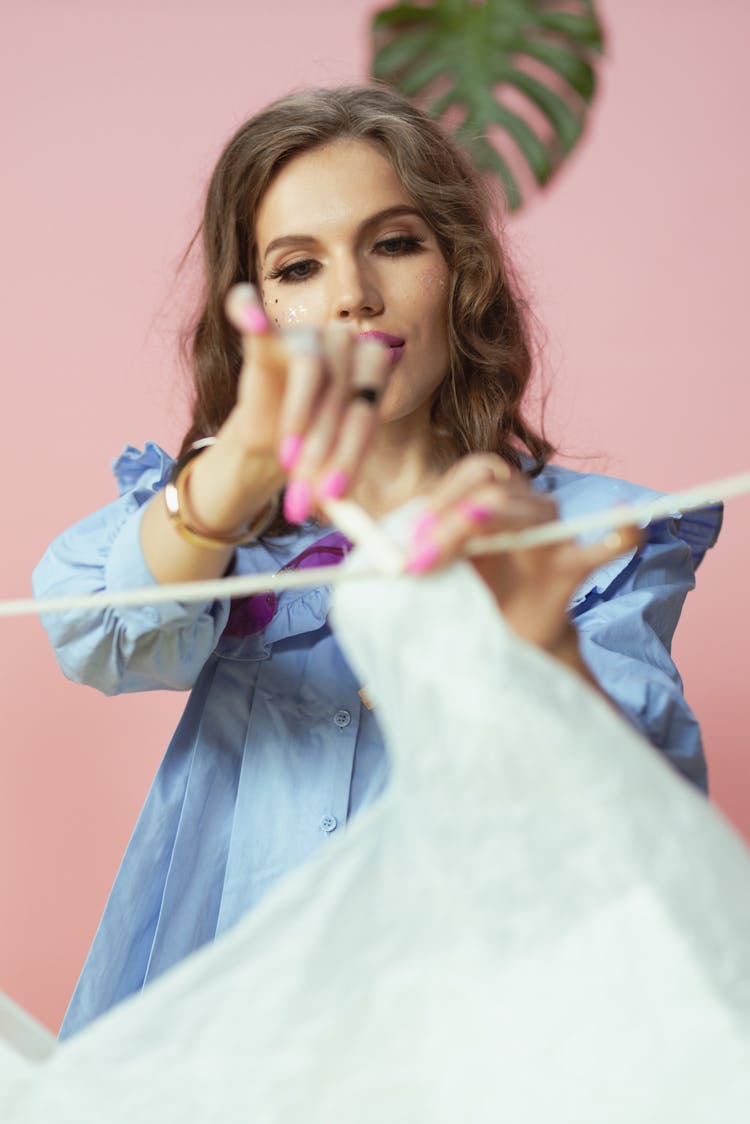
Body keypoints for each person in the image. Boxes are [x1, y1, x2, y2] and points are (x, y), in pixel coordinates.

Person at [33, 85, 721, 1038]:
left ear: (459, 271)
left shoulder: (590, 539)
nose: (352, 294)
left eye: (395, 244)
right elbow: (92, 632)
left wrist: (526, 654)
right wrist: (238, 465)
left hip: (467, 1039)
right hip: (222, 1044)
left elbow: (654, 822)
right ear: (256, 310)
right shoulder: (222, 525)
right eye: (299, 267)